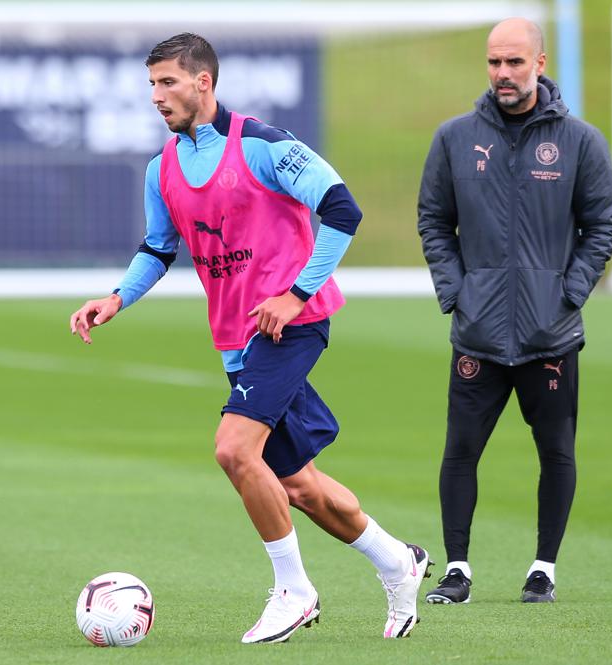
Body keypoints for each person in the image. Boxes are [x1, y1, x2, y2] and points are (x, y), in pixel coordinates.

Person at [70, 33, 431, 642]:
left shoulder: (263, 145)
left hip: (290, 325)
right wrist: (116, 298)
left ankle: (294, 592)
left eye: (168, 83)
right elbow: (158, 248)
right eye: (152, 84)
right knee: (299, 486)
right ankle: (399, 561)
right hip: (238, 340)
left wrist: (296, 295)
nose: (157, 96)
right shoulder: (163, 169)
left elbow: (343, 210)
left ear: (203, 82)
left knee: (235, 451)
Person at [417, 18, 612, 605]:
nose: (502, 74)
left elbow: (601, 224)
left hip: (549, 334)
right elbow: (433, 219)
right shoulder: (454, 138)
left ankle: (543, 569)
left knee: (556, 453)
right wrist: (457, 291)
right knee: (459, 452)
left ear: (540, 63)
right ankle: (457, 570)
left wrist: (569, 292)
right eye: (493, 63)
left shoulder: (581, 142)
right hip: (477, 332)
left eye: (514, 62)